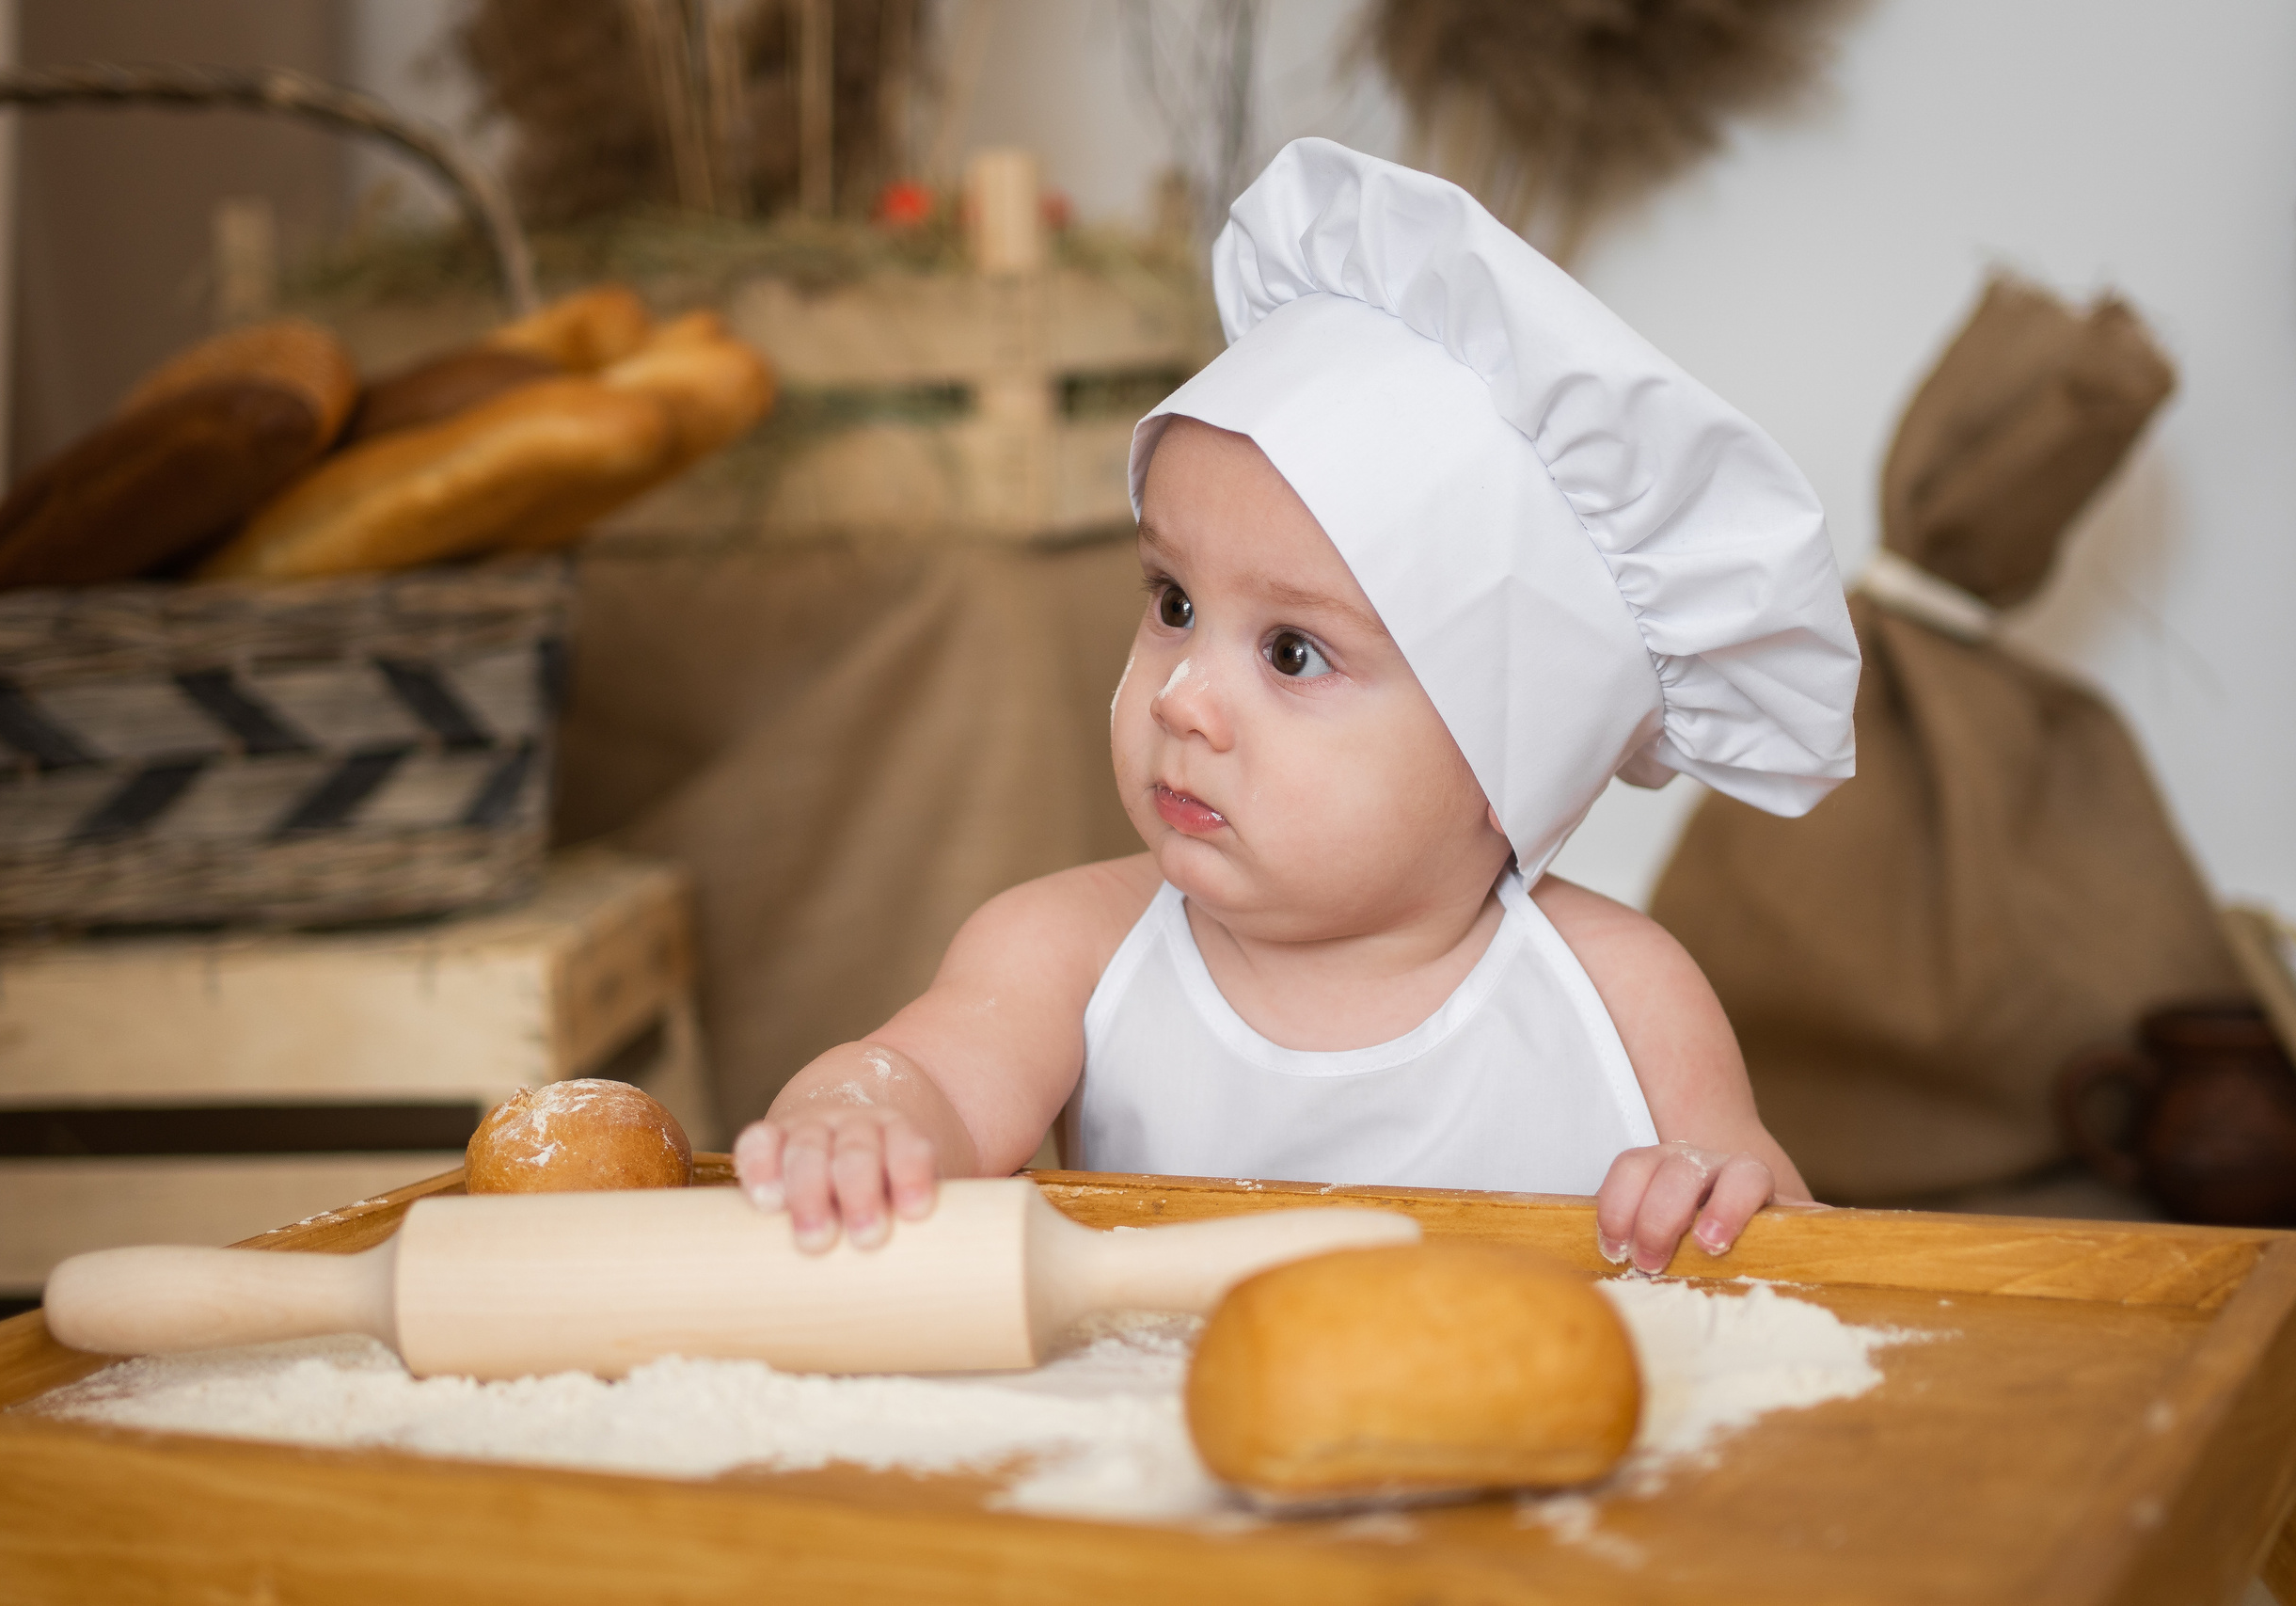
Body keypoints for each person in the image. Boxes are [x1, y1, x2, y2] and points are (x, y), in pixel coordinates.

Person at [733, 139, 1861, 1273]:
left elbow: (1798, 1261)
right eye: (1172, 602)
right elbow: (924, 1079)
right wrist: (855, 1117)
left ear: (1502, 759)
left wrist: (1713, 1199)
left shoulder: (1624, 996)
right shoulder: (1064, 952)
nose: (1183, 701)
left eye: (1290, 652)